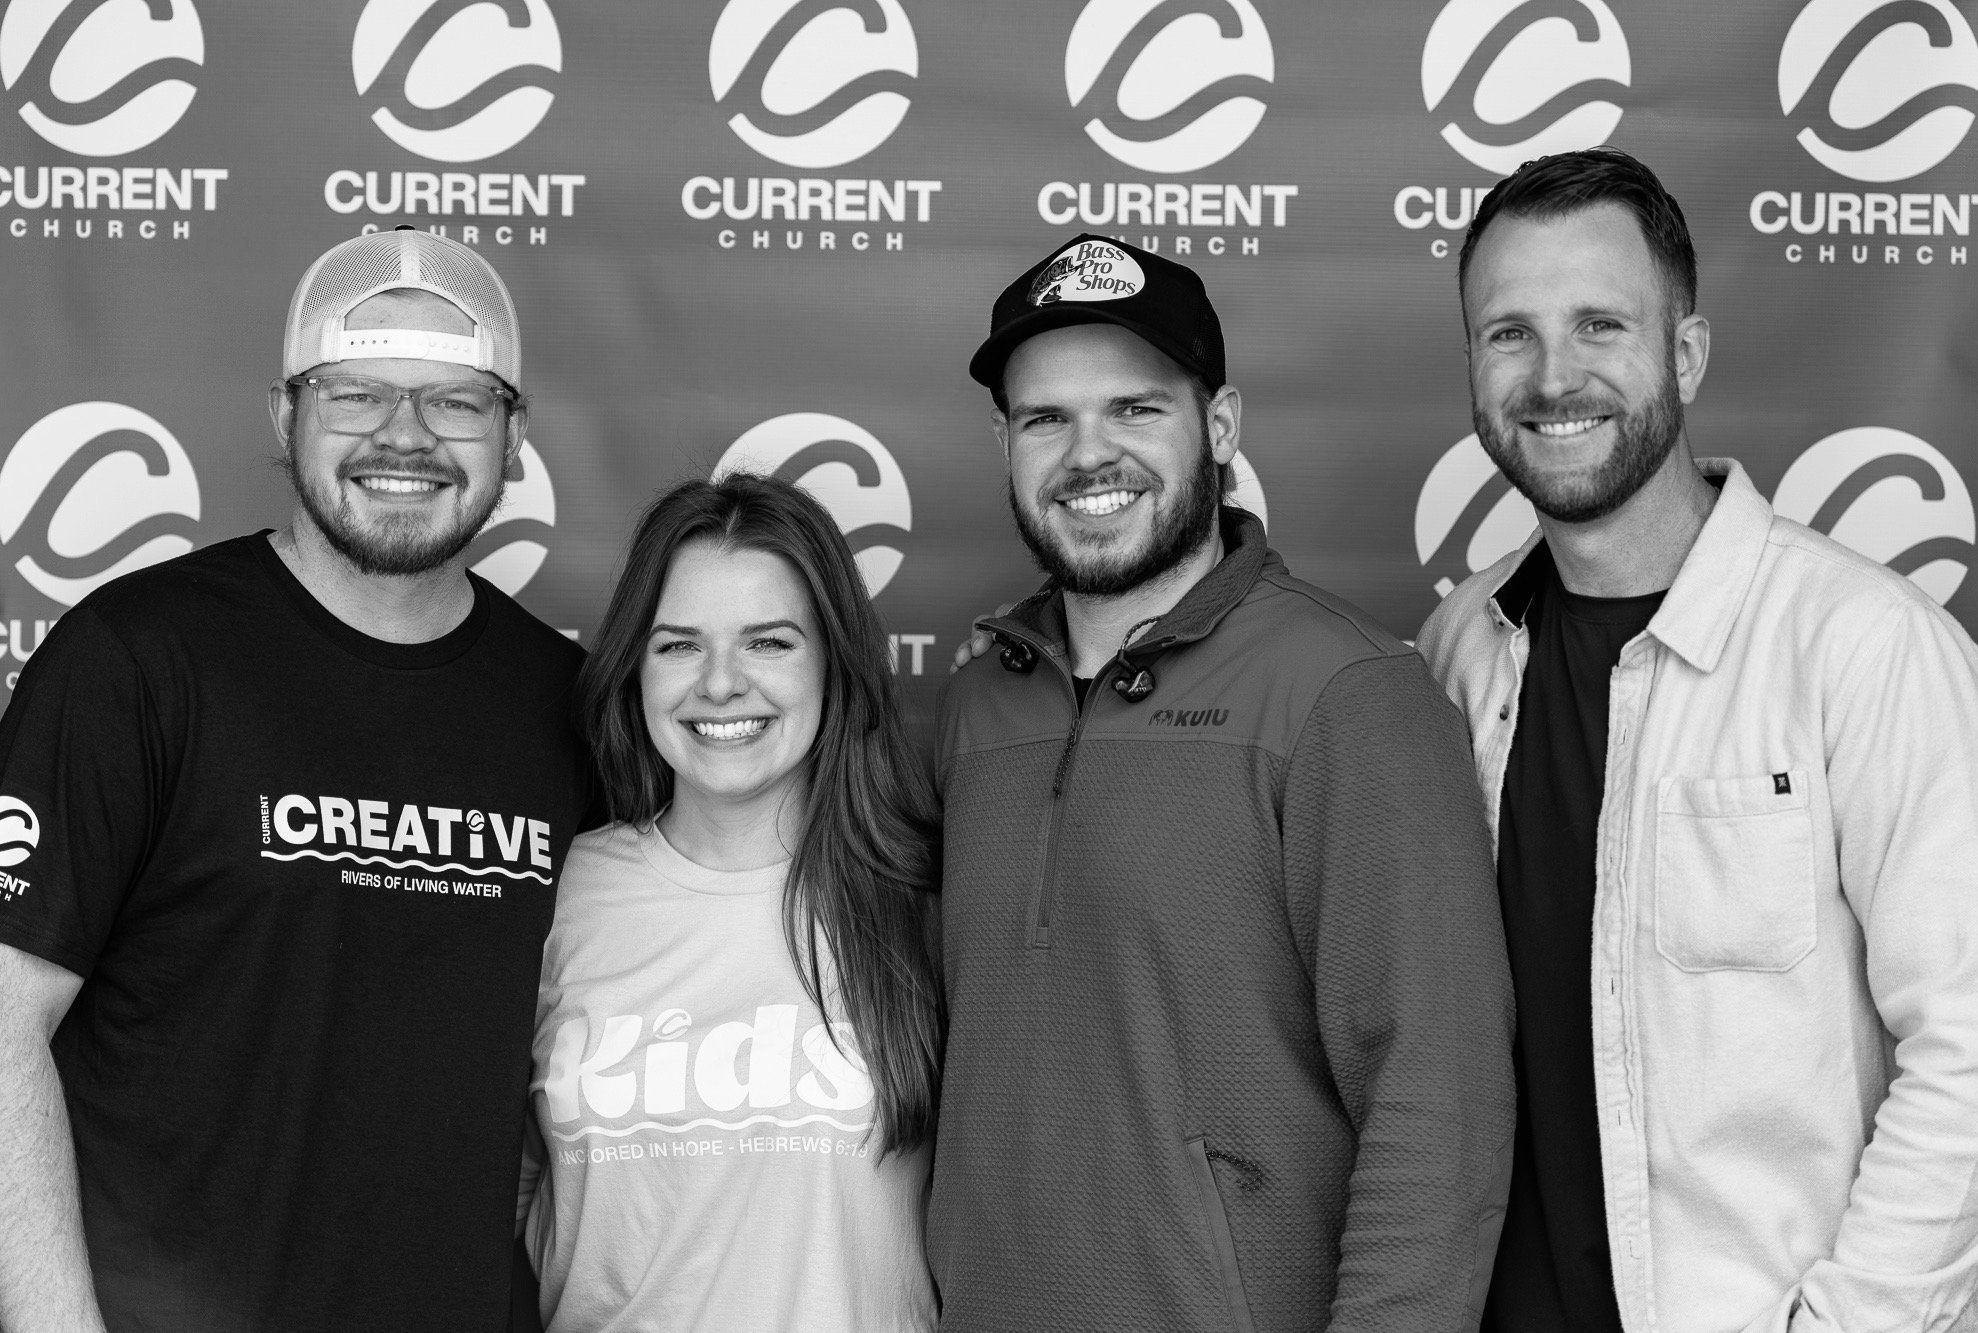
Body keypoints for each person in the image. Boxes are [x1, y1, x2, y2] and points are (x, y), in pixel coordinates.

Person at [1417, 147, 1978, 1331]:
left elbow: (1977, 1049)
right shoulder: (1454, 650)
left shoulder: (1862, 646)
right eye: (1508, 334)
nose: (1553, 376)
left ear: (1683, 354)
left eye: (1598, 324)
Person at [0, 228, 594, 1332]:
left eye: (456, 402)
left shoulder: (571, 707)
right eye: (355, 393)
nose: (405, 435)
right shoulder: (136, 660)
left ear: (514, 436)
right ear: (286, 416)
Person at [928, 233, 1515, 1333]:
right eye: (1045, 418)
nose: (1088, 454)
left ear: (1222, 425)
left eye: (1135, 409)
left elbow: (1439, 1100)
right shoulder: (973, 712)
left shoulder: (1349, 694)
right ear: (1004, 442)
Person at [521, 473, 943, 1332]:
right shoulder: (556, 894)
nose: (720, 683)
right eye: (679, 644)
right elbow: (498, 1197)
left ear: (833, 662)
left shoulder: (923, 897)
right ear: (635, 667)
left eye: (769, 642)